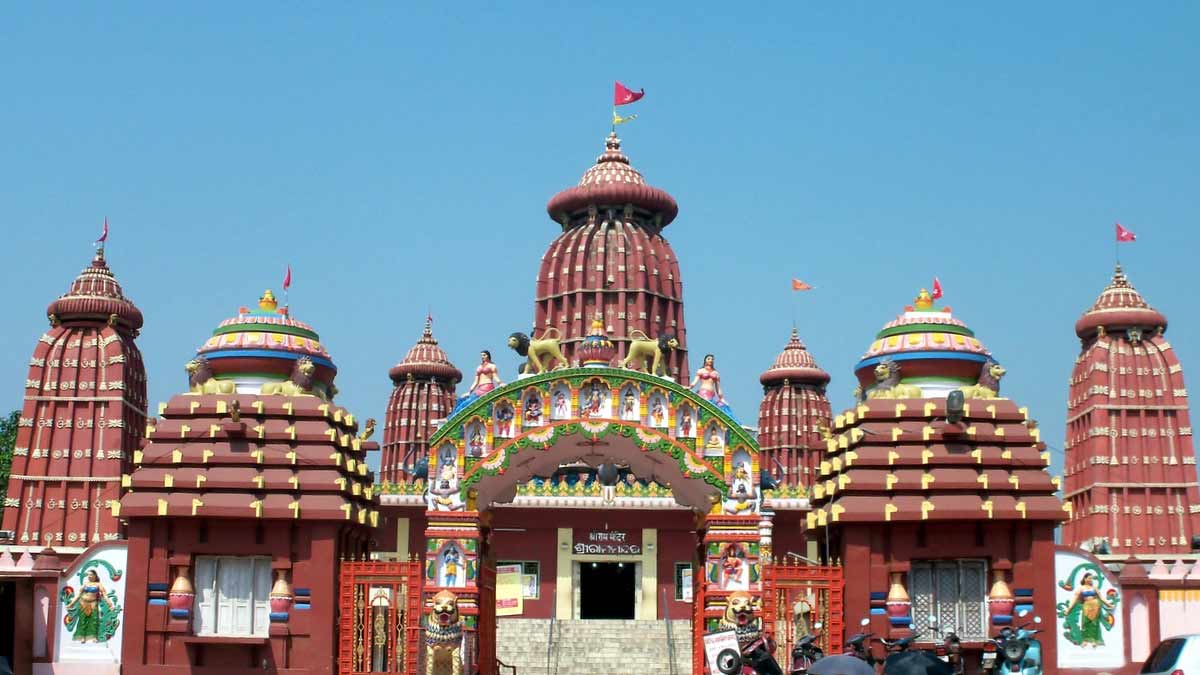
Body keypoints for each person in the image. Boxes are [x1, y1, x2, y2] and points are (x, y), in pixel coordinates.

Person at [1061, 571, 1116, 647]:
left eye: (1092, 578)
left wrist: (1109, 604)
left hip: (1095, 606)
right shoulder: (1081, 588)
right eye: (1089, 578)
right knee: (1085, 623)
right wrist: (1069, 609)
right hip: (1086, 606)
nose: (1091, 580)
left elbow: (1101, 598)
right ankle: (1085, 640)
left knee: (1094, 623)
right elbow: (1074, 599)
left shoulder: (1094, 588)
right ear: (1085, 579)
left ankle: (1095, 640)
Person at [65, 569, 116, 643]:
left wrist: (110, 604)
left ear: (95, 575)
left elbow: (105, 595)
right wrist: (71, 604)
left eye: (91, 575)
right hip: (83, 603)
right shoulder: (85, 584)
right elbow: (78, 595)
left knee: (94, 620)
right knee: (82, 620)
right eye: (88, 575)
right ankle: (82, 637)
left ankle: (94, 637)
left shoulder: (98, 585)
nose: (89, 576)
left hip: (93, 604)